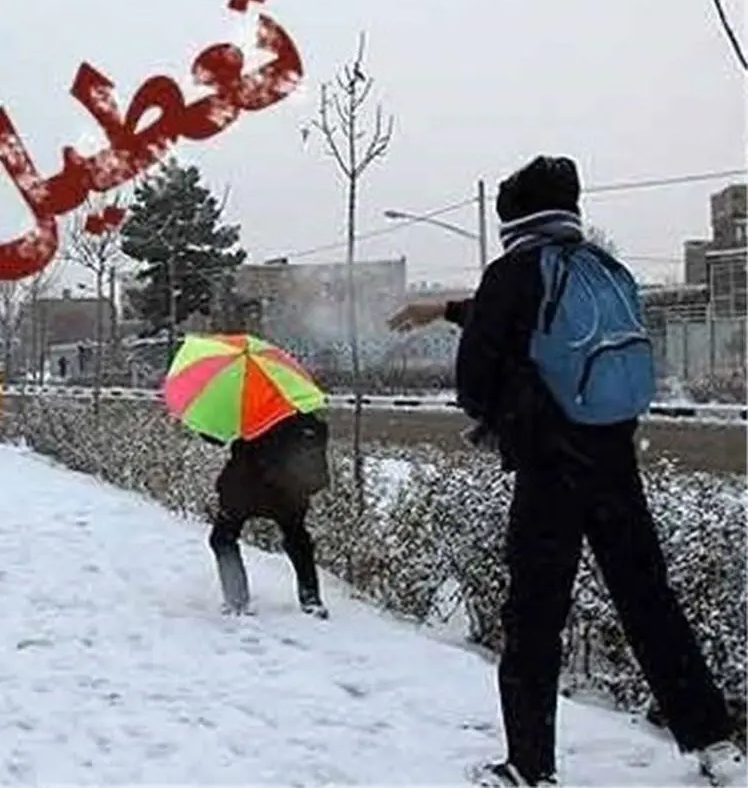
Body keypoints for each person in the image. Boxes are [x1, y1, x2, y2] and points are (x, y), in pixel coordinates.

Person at [388, 156, 744, 788]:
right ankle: (714, 744)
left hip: (550, 470)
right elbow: (531, 319)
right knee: (648, 600)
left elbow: (478, 373)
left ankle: (528, 766)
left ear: (513, 221)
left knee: (532, 615)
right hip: (613, 459)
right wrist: (444, 309)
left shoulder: (514, 271)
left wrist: (493, 417)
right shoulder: (602, 269)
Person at [202, 411, 331, 619]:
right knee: (298, 538)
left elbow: (216, 437)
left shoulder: (250, 412)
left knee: (222, 538)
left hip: (244, 492)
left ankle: (236, 601)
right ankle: (311, 600)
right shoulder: (307, 420)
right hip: (289, 494)